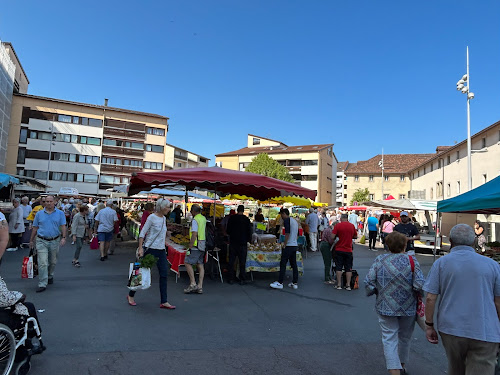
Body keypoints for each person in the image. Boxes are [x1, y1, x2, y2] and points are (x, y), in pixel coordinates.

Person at [423, 224, 500, 375]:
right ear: (473, 241)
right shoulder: (492, 265)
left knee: (456, 367)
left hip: (451, 328)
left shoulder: (441, 263)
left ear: (451, 241)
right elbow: (498, 302)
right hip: (484, 329)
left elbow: (431, 298)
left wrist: (429, 325)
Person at [364, 231, 425, 375]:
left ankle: (394, 370)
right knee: (405, 337)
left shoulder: (380, 260)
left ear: (387, 245)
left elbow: (369, 282)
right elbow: (419, 284)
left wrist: (377, 291)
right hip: (408, 306)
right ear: (405, 244)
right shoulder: (411, 260)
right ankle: (402, 366)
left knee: (389, 338)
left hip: (385, 306)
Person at [128, 199, 175, 309]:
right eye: (168, 207)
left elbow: (161, 232)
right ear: (162, 207)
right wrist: (140, 248)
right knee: (139, 273)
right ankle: (131, 295)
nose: (169, 209)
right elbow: (142, 233)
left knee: (164, 274)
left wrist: (168, 233)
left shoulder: (164, 219)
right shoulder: (151, 218)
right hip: (150, 249)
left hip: (161, 250)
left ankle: (164, 301)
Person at [29, 195, 67, 293]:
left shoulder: (60, 213)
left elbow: (63, 226)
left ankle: (50, 275)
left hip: (54, 240)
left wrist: (64, 237)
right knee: (42, 263)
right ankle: (42, 283)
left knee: (53, 262)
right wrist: (31, 240)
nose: (48, 203)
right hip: (41, 240)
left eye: (50, 201)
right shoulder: (39, 214)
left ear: (54, 202)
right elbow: (35, 227)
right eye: (46, 201)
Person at [270, 208, 299, 290]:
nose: (281, 216)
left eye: (281, 214)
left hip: (289, 245)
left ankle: (280, 282)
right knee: (294, 264)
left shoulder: (287, 220)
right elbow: (297, 234)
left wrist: (285, 244)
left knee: (283, 263)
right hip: (294, 245)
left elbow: (287, 233)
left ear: (284, 214)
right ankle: (295, 282)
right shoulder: (294, 221)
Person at [184, 204, 207, 294]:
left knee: (187, 262)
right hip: (202, 244)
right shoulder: (203, 218)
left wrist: (190, 245)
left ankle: (193, 283)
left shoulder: (195, 220)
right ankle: (200, 286)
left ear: (194, 211)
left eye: (191, 211)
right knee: (200, 264)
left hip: (196, 245)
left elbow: (194, 234)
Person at [227, 205, 252, 285]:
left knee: (231, 261)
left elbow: (228, 230)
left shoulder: (232, 218)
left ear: (237, 210)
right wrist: (248, 240)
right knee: (242, 262)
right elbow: (249, 232)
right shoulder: (246, 220)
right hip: (243, 243)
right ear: (243, 210)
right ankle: (242, 278)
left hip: (233, 243)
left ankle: (231, 278)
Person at [332, 213, 357, 290]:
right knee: (348, 268)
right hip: (348, 249)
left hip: (339, 249)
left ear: (341, 218)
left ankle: (339, 285)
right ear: (347, 218)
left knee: (338, 267)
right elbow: (355, 236)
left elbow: (332, 237)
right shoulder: (352, 226)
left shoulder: (338, 226)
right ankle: (348, 285)